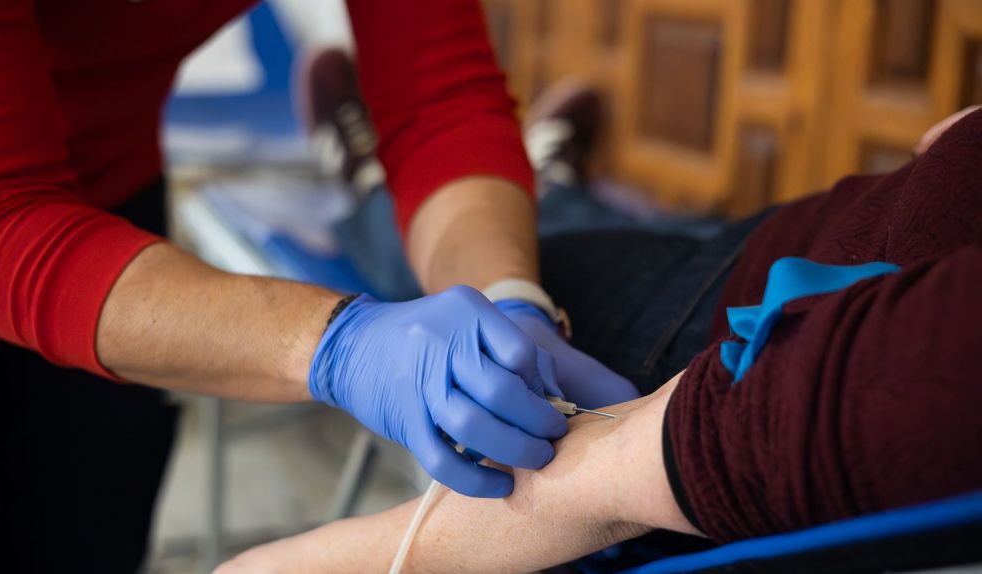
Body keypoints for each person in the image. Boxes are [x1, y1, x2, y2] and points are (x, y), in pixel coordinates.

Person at [0, 1, 638, 572]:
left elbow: (440, 100)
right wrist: (338, 345)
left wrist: (509, 294)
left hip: (107, 184)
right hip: (7, 216)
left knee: (86, 521)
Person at [215, 106, 982, 573]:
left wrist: (361, 558)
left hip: (724, 342)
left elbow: (891, 386)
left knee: (518, 261)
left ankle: (366, 185)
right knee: (575, 245)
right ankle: (549, 180)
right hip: (819, 240)